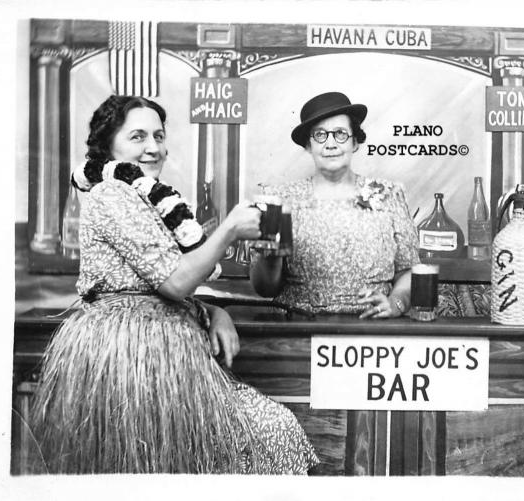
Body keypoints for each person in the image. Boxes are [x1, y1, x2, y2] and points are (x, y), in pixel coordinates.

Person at [30, 95, 318, 474]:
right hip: (128, 360)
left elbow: (161, 281)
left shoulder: (146, 197)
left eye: (159, 135)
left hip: (166, 353)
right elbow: (173, 283)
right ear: (108, 147)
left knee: (264, 433)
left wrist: (214, 310)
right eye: (137, 137)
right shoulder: (111, 192)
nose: (153, 147)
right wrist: (230, 228)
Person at [250, 91, 419, 318]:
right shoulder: (280, 199)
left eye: (340, 134)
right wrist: (270, 256)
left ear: (355, 142)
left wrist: (396, 303)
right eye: (319, 135)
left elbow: (408, 271)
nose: (330, 144)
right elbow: (265, 289)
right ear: (308, 145)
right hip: (297, 325)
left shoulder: (388, 195)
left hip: (373, 327)